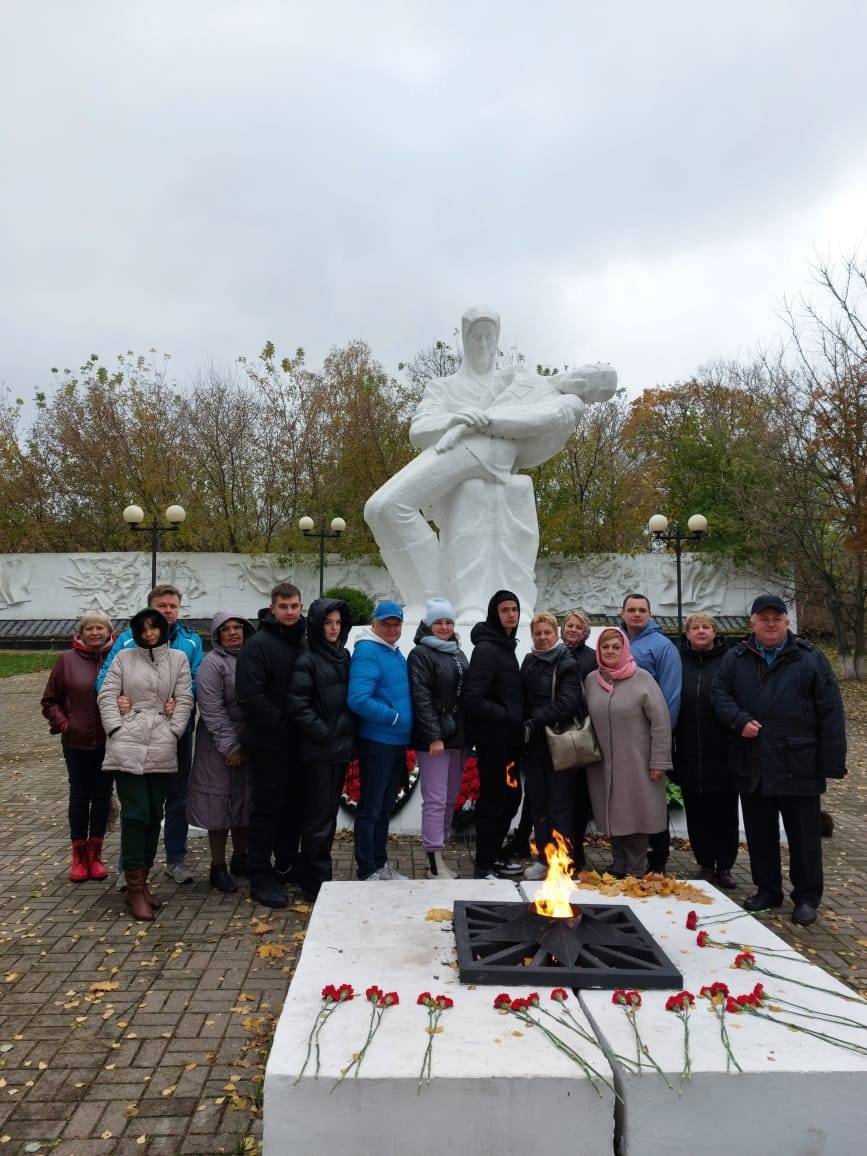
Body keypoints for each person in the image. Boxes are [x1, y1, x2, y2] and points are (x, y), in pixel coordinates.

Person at [364, 307, 617, 621]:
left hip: (486, 456)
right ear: (465, 337)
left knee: (389, 506)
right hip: (454, 444)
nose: (483, 344)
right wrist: (453, 420)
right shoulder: (506, 378)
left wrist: (481, 422)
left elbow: (530, 422)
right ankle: (429, 598)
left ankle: (436, 600)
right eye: (477, 336)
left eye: (591, 386)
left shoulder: (566, 402)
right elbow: (419, 431)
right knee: (377, 509)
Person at [711, 594, 846, 926]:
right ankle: (768, 890)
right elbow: (719, 694)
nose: (770, 624)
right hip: (753, 761)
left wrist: (831, 762)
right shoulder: (736, 657)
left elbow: (831, 710)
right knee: (760, 833)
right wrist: (739, 720)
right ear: (753, 623)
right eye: (764, 618)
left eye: (776, 618)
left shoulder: (810, 658)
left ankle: (807, 897)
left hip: (799, 762)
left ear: (787, 622)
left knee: (804, 836)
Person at [97, 584, 203, 885]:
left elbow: (196, 682)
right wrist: (120, 714)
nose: (167, 611)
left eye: (173, 606)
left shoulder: (191, 641)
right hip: (134, 733)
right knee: (136, 804)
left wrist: (177, 711)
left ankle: (176, 859)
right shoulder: (127, 641)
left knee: (177, 798)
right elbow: (105, 680)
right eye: (161, 605)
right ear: (150, 607)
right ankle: (129, 869)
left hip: (175, 731)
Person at [236, 582, 307, 909]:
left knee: (294, 807)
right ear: (272, 608)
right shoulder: (258, 645)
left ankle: (287, 863)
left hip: (300, 743)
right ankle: (260, 876)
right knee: (267, 811)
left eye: (294, 606)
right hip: (270, 742)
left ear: (301, 607)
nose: (290, 612)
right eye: (284, 607)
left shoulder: (304, 640)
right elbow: (250, 695)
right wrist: (284, 726)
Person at [584, 628, 672, 878]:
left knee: (636, 816)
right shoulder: (591, 681)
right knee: (613, 815)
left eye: (616, 647)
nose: (610, 651)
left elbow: (660, 722)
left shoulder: (642, 679)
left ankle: (636, 868)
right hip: (603, 764)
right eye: (605, 647)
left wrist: (659, 761)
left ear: (625, 649)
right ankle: (619, 864)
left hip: (637, 762)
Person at [289, 597, 356, 900]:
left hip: (338, 750)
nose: (334, 628)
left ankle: (317, 876)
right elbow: (299, 705)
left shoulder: (343, 655)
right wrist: (325, 734)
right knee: (318, 819)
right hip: (320, 752)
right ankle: (315, 883)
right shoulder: (308, 659)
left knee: (327, 817)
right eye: (328, 622)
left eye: (338, 623)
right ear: (317, 625)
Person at [41, 611, 116, 882]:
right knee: (79, 795)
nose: (95, 632)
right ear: (81, 633)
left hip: (110, 741)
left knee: (103, 796)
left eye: (100, 628)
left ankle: (96, 854)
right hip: (76, 742)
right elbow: (50, 700)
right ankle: (78, 855)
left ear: (109, 632)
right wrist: (65, 724)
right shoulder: (67, 660)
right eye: (89, 628)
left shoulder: (118, 657)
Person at [188, 611, 254, 894]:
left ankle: (242, 857)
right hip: (217, 745)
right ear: (217, 635)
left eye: (238, 627)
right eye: (226, 629)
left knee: (244, 800)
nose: (233, 632)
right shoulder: (212, 664)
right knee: (219, 805)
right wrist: (232, 746)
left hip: (248, 742)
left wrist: (251, 742)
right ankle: (217, 866)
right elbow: (212, 708)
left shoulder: (252, 658)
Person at [348, 600, 413, 881]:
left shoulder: (392, 650)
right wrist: (394, 718)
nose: (392, 628)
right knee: (371, 809)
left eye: (396, 624)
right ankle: (366, 870)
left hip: (394, 744)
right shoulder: (368, 651)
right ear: (374, 624)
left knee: (384, 808)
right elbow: (358, 699)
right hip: (378, 743)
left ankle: (380, 863)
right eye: (386, 623)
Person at [671, 613, 738, 888]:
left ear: (714, 632)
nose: (701, 631)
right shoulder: (678, 661)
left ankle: (725, 866)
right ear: (687, 634)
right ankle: (705, 864)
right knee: (697, 814)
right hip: (688, 751)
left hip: (722, 751)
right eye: (695, 627)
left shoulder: (729, 660)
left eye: (706, 627)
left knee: (724, 813)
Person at [462, 590, 524, 879]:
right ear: (494, 614)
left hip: (509, 743)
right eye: (505, 610)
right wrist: (507, 716)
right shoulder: (487, 649)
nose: (511, 614)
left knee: (510, 799)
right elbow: (473, 698)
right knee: (494, 801)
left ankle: (493, 856)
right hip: (493, 743)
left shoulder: (506, 645)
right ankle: (484, 864)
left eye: (515, 609)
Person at [407, 597, 469, 880]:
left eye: (448, 622)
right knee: (435, 798)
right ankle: (434, 861)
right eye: (438, 622)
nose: (444, 627)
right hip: (435, 739)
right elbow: (421, 697)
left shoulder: (456, 651)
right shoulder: (420, 654)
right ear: (428, 625)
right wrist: (433, 736)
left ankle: (438, 853)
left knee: (449, 798)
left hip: (458, 737)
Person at [620, 592, 682, 873]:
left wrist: (661, 740)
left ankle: (657, 860)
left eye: (642, 610)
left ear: (650, 613)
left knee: (652, 800)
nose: (636, 614)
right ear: (622, 613)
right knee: (626, 799)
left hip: (649, 739)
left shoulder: (662, 646)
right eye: (631, 609)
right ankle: (628, 860)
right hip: (621, 741)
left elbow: (670, 696)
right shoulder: (615, 640)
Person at [520, 611, 584, 880]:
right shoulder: (529, 661)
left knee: (560, 805)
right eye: (538, 633)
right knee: (538, 803)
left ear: (556, 634)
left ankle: (563, 861)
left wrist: (533, 719)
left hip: (560, 742)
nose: (543, 637)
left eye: (547, 632)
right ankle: (544, 858)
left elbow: (567, 703)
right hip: (534, 745)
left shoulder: (567, 663)